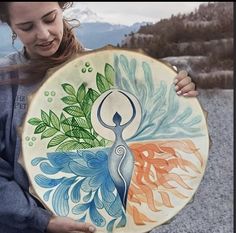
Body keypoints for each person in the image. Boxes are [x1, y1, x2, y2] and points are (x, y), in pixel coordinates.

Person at [0, 2, 198, 233]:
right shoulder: (5, 82)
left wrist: (176, 90)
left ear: (62, 8)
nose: (43, 34)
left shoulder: (105, 70)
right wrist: (42, 220)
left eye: (49, 18)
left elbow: (155, 128)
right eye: (26, 27)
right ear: (10, 25)